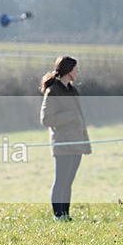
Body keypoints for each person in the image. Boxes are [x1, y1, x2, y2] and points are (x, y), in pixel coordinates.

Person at [40, 56, 91, 221]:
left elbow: (80, 119)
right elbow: (46, 119)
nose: (78, 72)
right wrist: (69, 116)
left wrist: (85, 142)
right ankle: (57, 215)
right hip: (62, 143)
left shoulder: (73, 90)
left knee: (69, 181)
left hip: (77, 143)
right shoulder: (53, 91)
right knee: (61, 180)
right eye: (76, 69)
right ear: (68, 70)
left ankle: (66, 214)